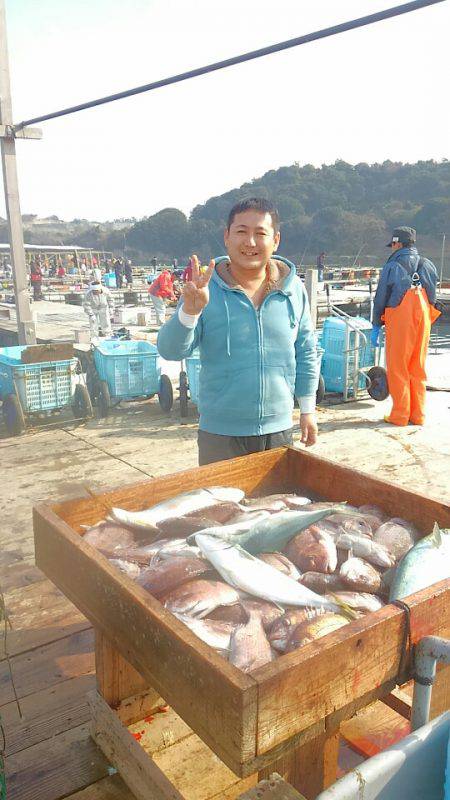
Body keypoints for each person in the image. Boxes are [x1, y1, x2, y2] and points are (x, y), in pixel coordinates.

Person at [158, 197, 319, 465]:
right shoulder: (206, 289)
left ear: (276, 240)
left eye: (260, 233)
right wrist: (189, 312)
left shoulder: (293, 290)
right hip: (220, 434)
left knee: (276, 506)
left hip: (278, 429)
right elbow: (171, 350)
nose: (251, 242)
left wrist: (307, 410)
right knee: (222, 506)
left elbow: (306, 351)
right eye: (242, 232)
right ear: (227, 237)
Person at [371, 226, 440, 426]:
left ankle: (400, 415)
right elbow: (433, 298)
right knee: (417, 366)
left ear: (398, 243)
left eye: (392, 244)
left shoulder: (392, 265)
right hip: (423, 317)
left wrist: (377, 324)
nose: (391, 248)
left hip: (401, 318)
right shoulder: (427, 264)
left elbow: (381, 297)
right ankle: (417, 415)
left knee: (398, 366)